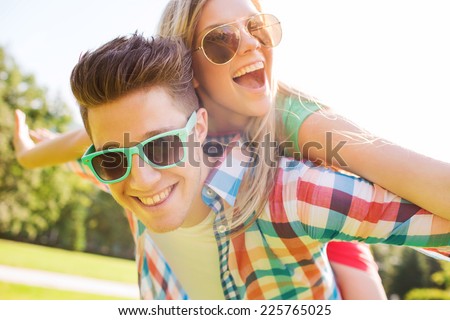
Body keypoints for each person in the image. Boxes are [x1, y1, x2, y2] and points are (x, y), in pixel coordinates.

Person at [13, 0, 450, 299]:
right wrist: (32, 153)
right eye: (220, 40)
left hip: (309, 213)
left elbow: (403, 180)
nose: (251, 45)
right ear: (188, 69)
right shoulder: (139, 146)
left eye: (258, 27)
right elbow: (90, 143)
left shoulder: (298, 134)